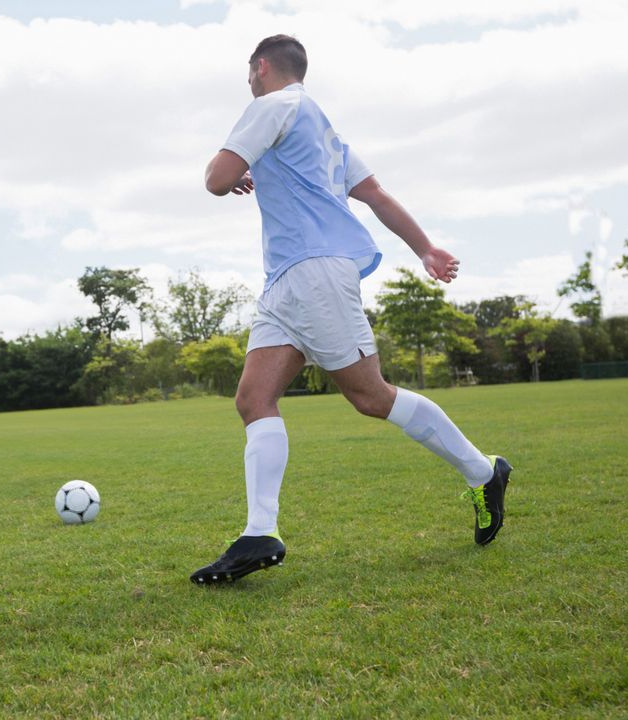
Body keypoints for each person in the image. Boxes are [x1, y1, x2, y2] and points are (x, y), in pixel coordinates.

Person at [190, 34, 511, 585]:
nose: (247, 80)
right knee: (253, 398)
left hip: (316, 273)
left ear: (261, 66)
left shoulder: (271, 105)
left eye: (249, 72)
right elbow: (377, 194)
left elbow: (215, 179)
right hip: (285, 282)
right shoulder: (324, 128)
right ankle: (259, 533)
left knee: (371, 396)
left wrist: (237, 171)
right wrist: (426, 248)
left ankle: (484, 473)